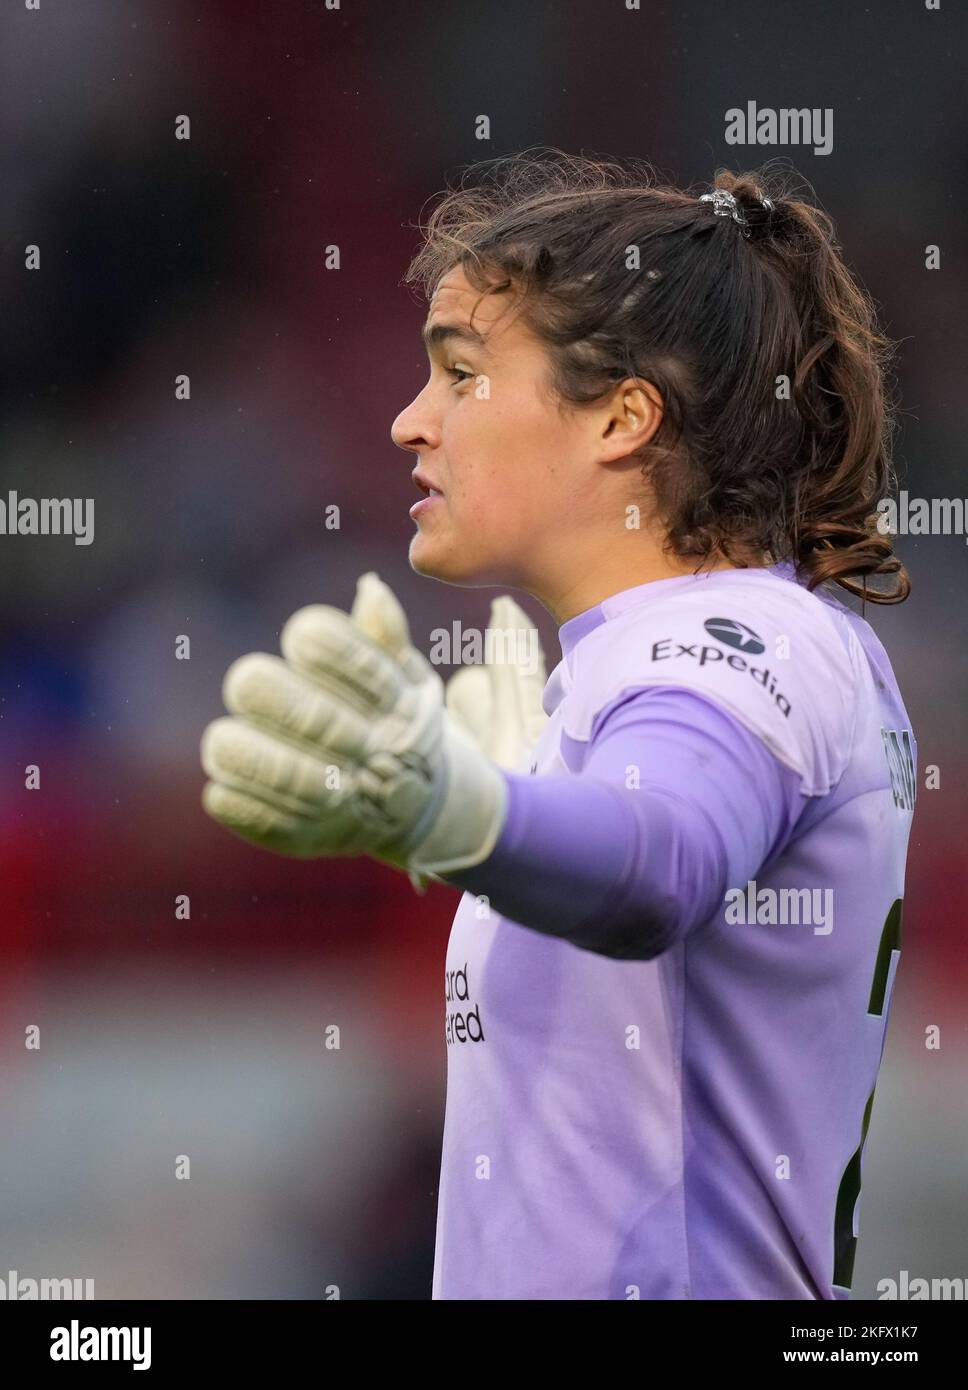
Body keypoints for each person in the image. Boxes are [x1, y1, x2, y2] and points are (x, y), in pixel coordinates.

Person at [200, 150, 916, 1300]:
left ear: (622, 418)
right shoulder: (651, 665)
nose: (405, 421)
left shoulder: (744, 637)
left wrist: (463, 809)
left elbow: (658, 863)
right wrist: (519, 802)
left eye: (459, 372)